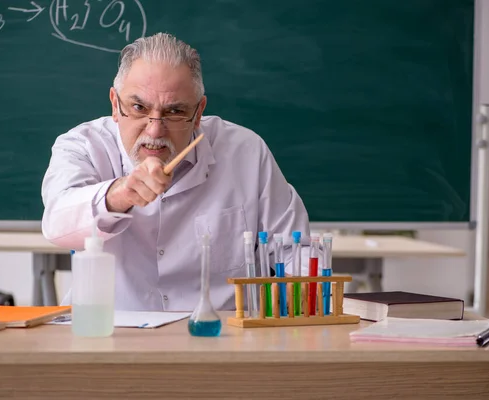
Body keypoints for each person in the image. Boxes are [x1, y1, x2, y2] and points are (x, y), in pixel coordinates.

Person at [41, 32, 311, 311]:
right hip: (112, 333)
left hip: (221, 337)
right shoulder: (83, 146)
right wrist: (120, 193)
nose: (155, 130)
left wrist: (293, 296)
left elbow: (296, 250)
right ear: (114, 103)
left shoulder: (245, 152)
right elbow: (57, 224)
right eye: (138, 107)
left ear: (198, 113)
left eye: (174, 112)